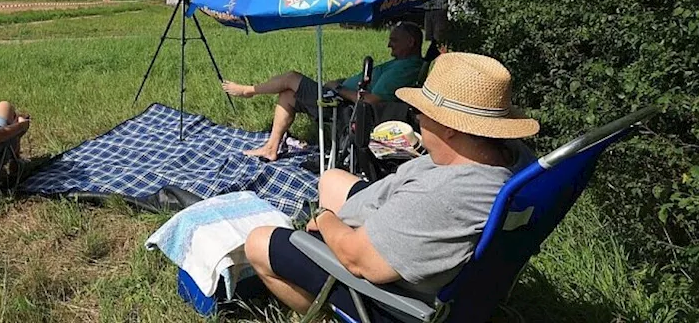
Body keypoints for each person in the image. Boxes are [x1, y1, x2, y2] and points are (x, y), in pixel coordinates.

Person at [244, 52, 539, 318]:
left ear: (449, 128)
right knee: (331, 179)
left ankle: (326, 313)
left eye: (420, 112)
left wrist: (325, 219)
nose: (417, 117)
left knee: (258, 242)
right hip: (407, 230)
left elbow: (359, 260)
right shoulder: (515, 158)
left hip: (389, 290)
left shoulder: (442, 196)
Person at [221, 22, 425, 161]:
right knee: (288, 94)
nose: (389, 44)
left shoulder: (404, 68)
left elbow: (371, 100)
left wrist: (338, 88)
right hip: (342, 96)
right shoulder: (403, 64)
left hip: (345, 107)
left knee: (292, 78)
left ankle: (249, 90)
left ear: (411, 43)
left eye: (394, 40)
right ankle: (271, 148)